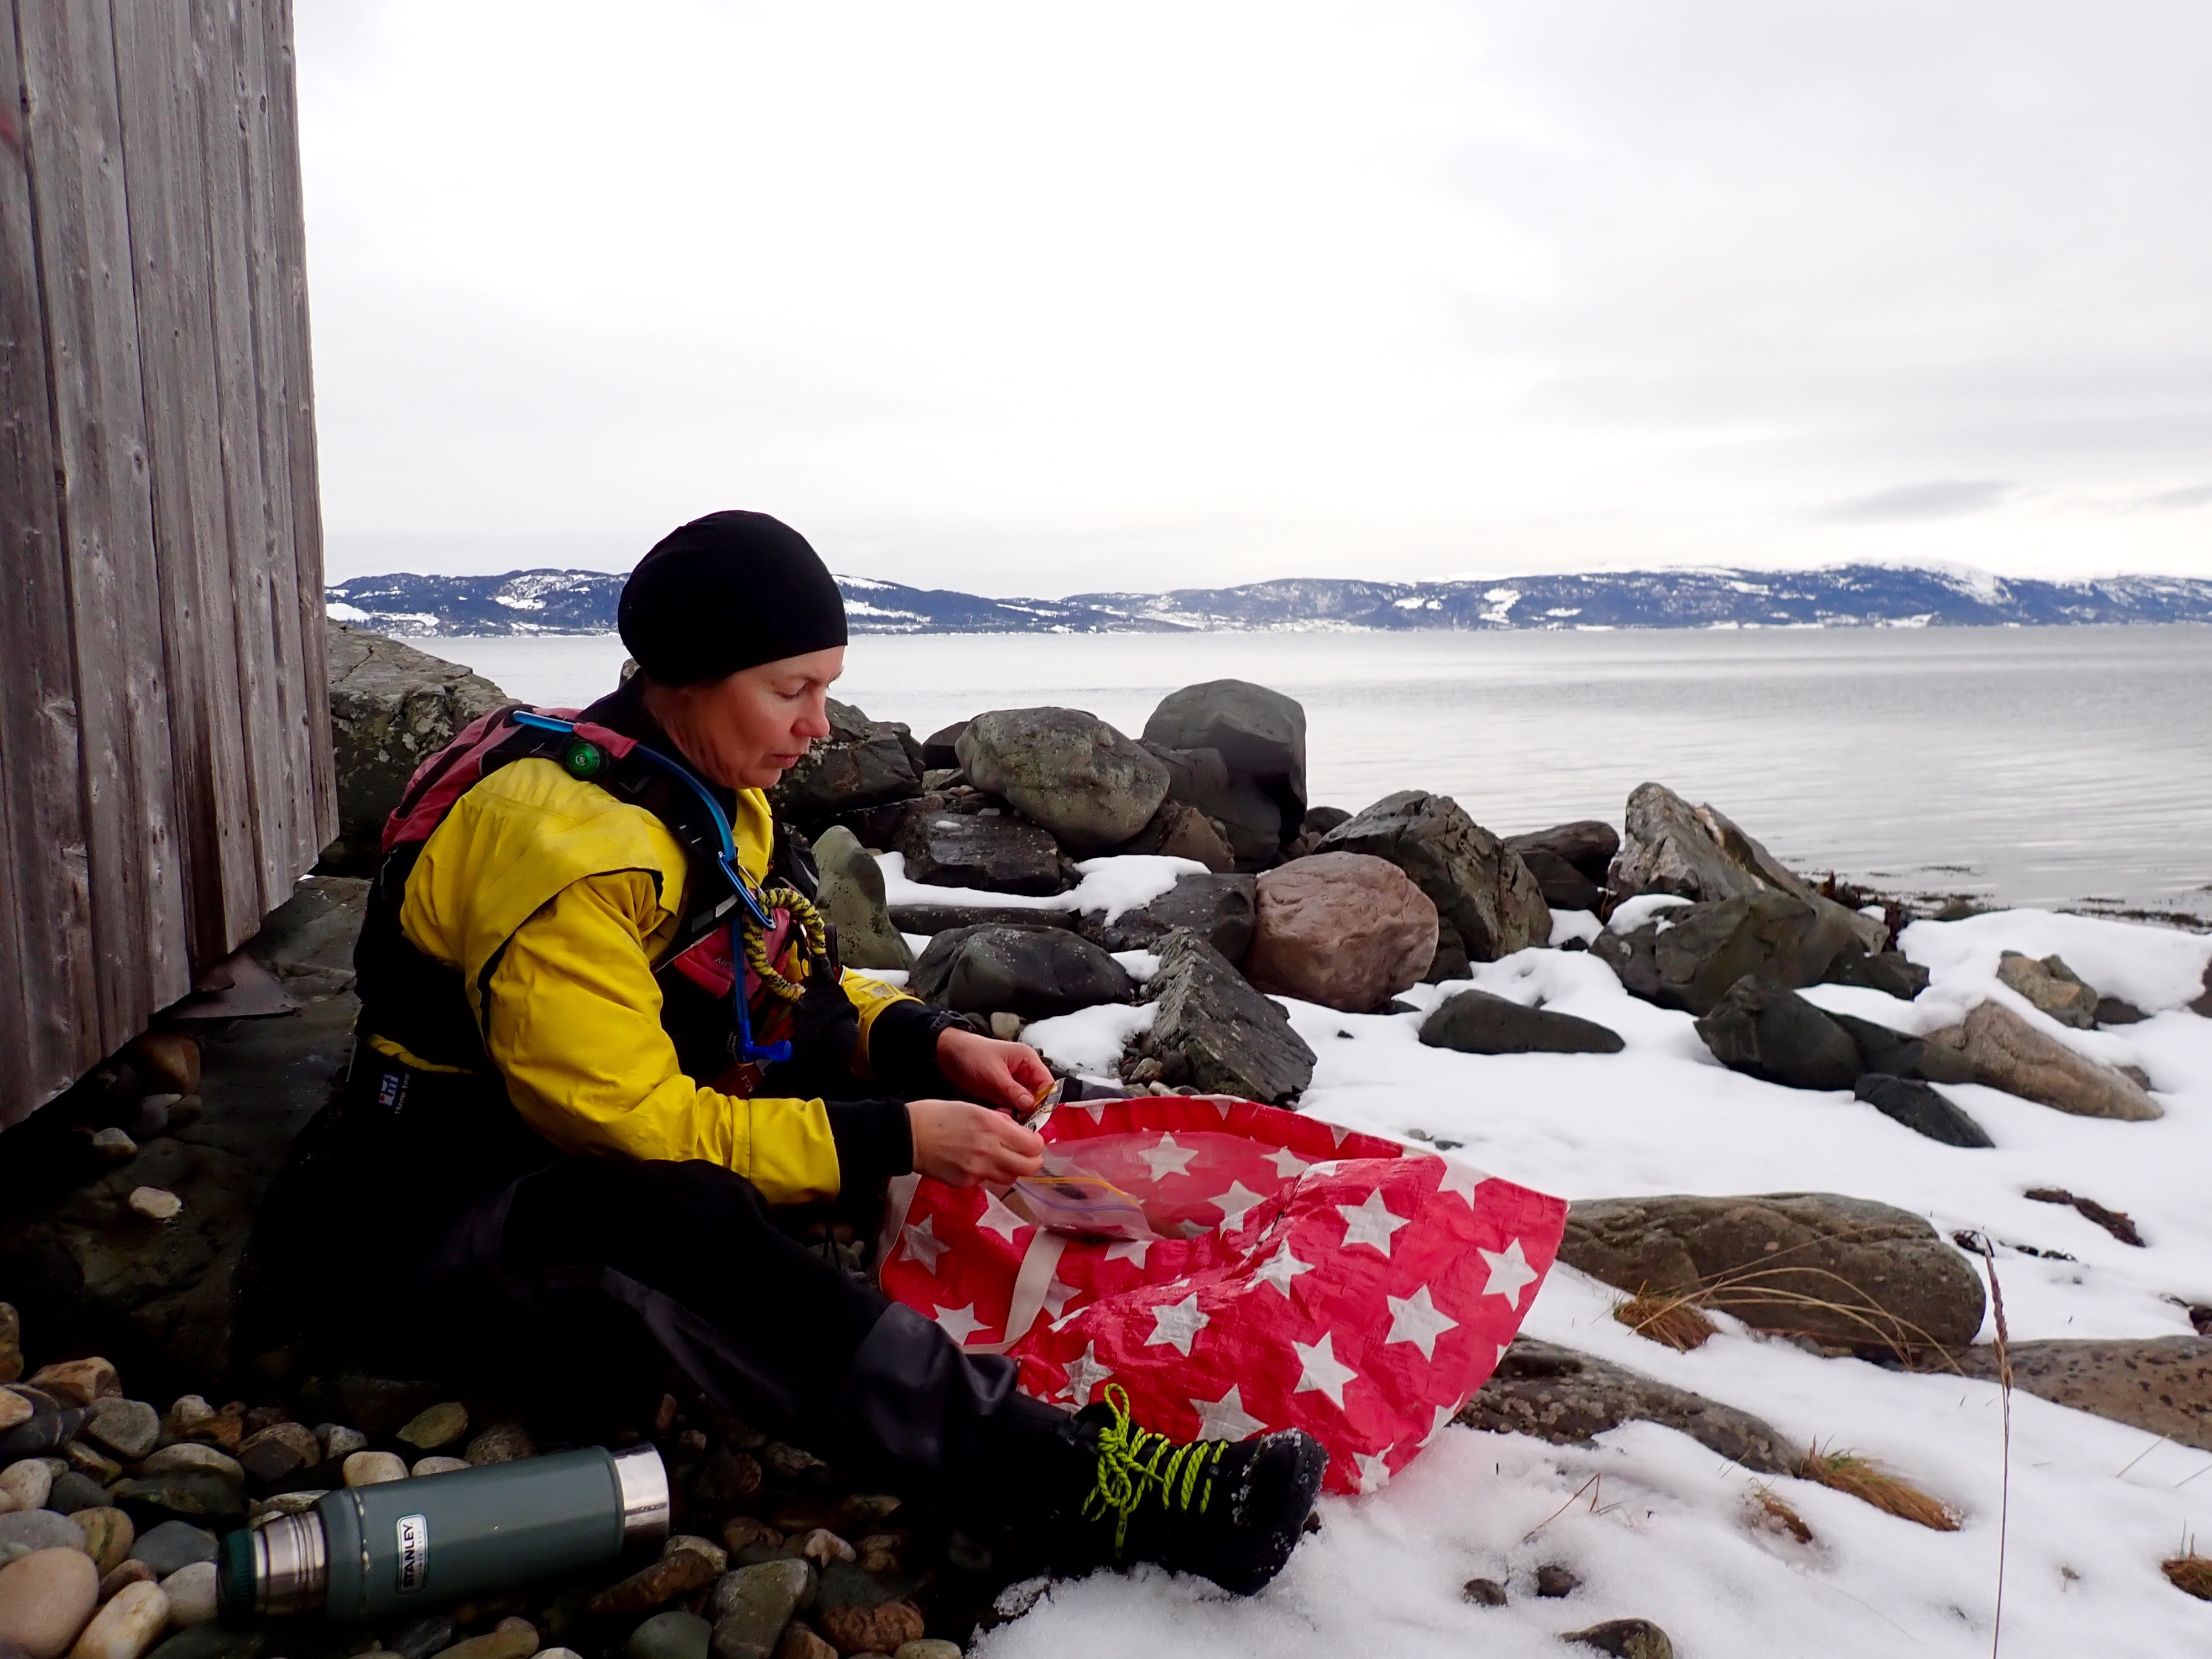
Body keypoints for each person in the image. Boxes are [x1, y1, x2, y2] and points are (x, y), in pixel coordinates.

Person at [251, 511, 1324, 1596]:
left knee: (935, 1088)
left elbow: (778, 977)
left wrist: (925, 1042)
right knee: (679, 1224)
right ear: (686, 677)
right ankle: (1072, 1481)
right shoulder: (565, 849)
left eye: (825, 687)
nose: (818, 726)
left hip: (564, 1141)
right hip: (433, 1216)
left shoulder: (692, 785)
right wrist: (893, 1139)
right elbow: (630, 1129)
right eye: (789, 690)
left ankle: (1177, 1214)